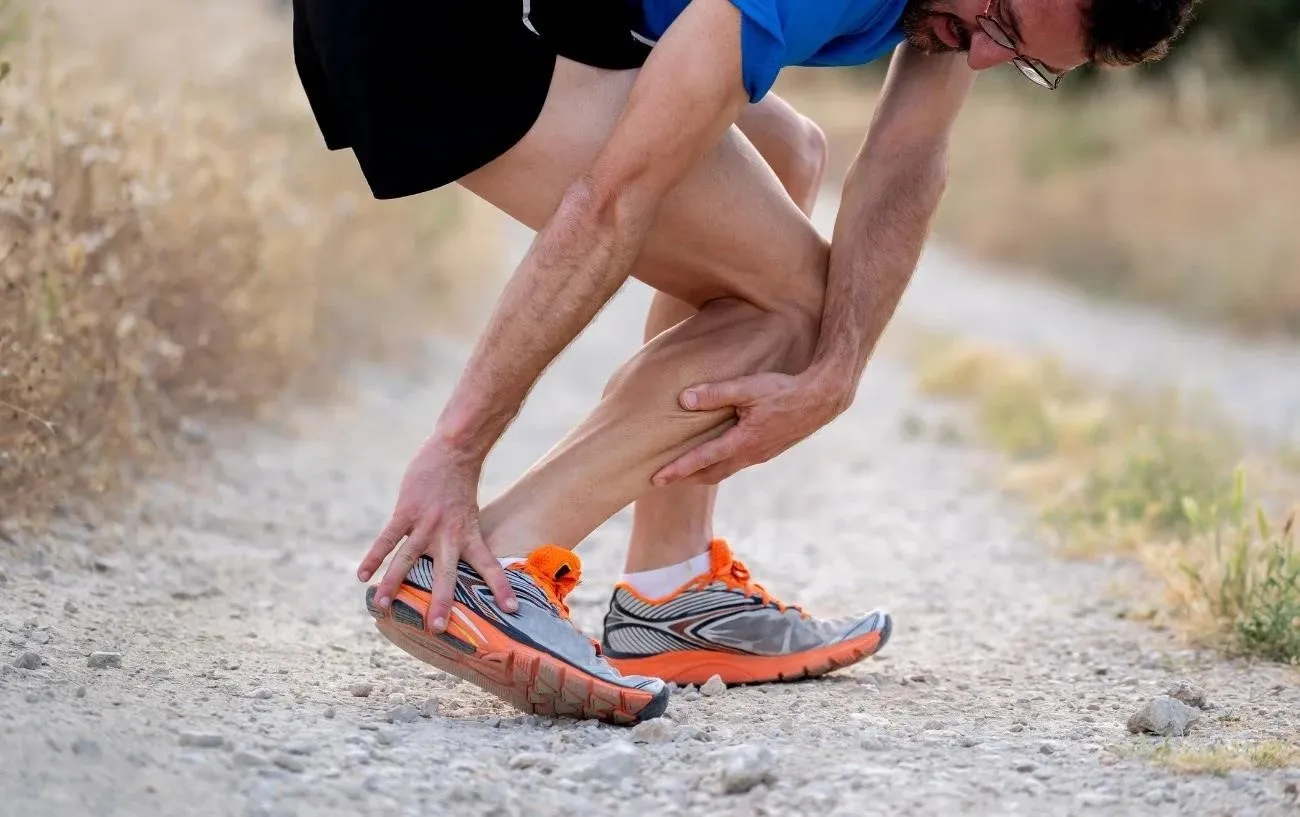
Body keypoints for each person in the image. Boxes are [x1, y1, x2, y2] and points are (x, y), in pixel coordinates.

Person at [292, 0, 1196, 724]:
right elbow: (613, 204)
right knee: (793, 308)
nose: (988, 57)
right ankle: (492, 566)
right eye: (999, 23)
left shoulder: (956, 16)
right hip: (430, 26)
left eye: (1027, 59)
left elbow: (912, 150)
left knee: (787, 150)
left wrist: (841, 370)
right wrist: (455, 447)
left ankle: (668, 586)